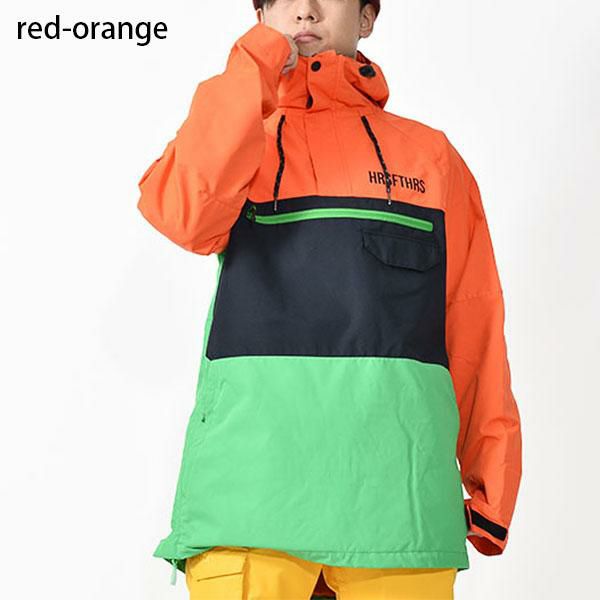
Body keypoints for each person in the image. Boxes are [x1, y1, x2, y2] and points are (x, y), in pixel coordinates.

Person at [136, 1, 523, 598]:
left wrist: (491, 482)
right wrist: (259, 59)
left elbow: (473, 322)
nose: (306, 10)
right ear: (261, 15)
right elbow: (181, 213)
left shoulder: (431, 158)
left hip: (399, 511)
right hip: (248, 501)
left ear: (367, 18)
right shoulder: (243, 140)